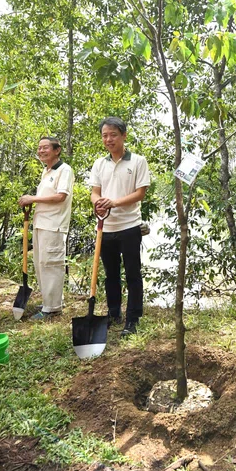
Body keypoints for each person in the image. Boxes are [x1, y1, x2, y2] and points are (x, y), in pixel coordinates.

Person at [89, 117, 150, 337]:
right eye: (105, 135)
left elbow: (140, 193)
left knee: (133, 274)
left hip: (130, 226)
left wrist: (114, 202)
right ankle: (114, 313)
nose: (108, 139)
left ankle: (133, 318)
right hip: (106, 227)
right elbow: (95, 191)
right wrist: (98, 202)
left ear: (123, 135)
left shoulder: (138, 161)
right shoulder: (99, 163)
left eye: (113, 134)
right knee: (110, 274)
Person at [19, 137, 74, 320]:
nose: (41, 151)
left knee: (52, 265)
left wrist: (32, 199)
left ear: (57, 150)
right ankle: (48, 302)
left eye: (45, 148)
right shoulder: (46, 171)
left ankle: (53, 308)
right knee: (41, 263)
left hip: (54, 226)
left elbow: (61, 197)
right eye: (39, 148)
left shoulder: (64, 170)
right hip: (40, 223)